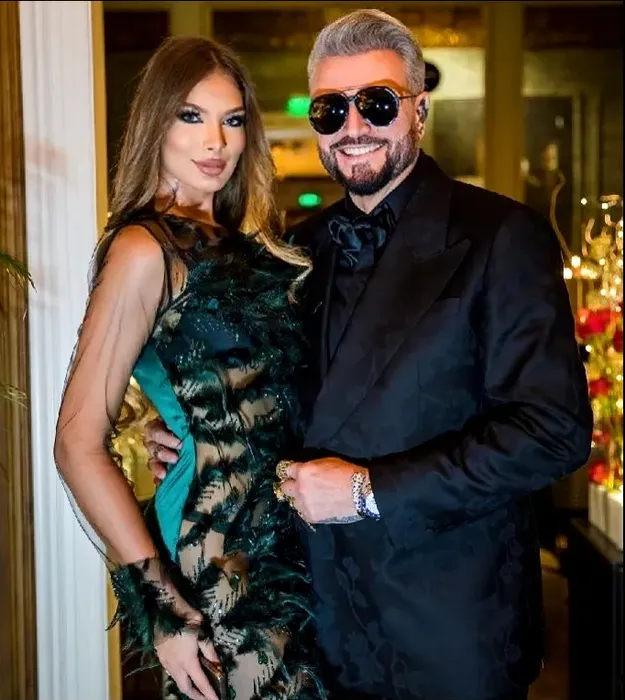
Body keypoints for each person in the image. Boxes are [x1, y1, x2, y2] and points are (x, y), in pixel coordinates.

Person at [145, 10, 593, 700]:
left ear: (419, 112)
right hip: (309, 628)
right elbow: (265, 398)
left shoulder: (503, 237)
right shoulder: (290, 250)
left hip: (448, 635)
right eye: (331, 109)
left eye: (376, 103)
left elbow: (552, 432)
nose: (353, 126)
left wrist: (368, 491)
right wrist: (198, 431)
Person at [54, 36, 326, 700]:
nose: (216, 141)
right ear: (156, 122)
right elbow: (75, 443)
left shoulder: (248, 248)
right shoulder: (143, 248)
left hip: (288, 542)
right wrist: (164, 608)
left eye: (232, 120)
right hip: (214, 550)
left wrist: (172, 416)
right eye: (191, 115)